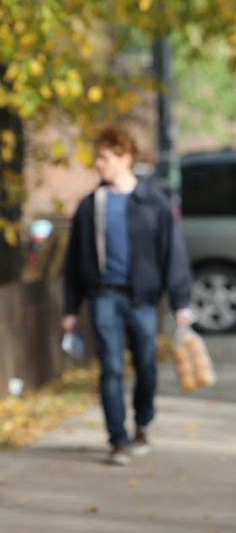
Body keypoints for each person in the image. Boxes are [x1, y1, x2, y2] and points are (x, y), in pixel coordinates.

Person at [62, 126, 193, 466]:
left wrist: (181, 302)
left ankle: (143, 423)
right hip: (103, 297)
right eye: (98, 157)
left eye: (105, 157)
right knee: (110, 367)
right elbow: (74, 261)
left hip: (143, 300)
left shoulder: (152, 203)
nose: (98, 164)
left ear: (125, 157)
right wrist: (70, 308)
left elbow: (172, 254)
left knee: (146, 367)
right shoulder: (90, 206)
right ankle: (117, 440)